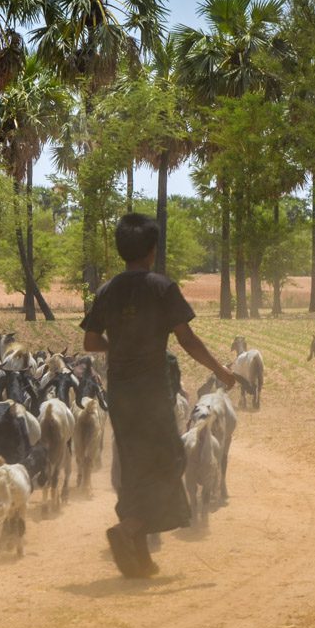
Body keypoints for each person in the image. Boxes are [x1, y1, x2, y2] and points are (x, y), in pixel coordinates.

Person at [81, 214, 236, 579]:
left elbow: (90, 342)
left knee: (135, 468)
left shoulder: (107, 290)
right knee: (168, 461)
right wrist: (219, 370)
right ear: (152, 250)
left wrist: (118, 346)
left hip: (119, 394)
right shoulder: (162, 287)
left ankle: (140, 559)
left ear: (122, 251)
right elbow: (187, 339)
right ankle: (130, 528)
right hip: (151, 392)